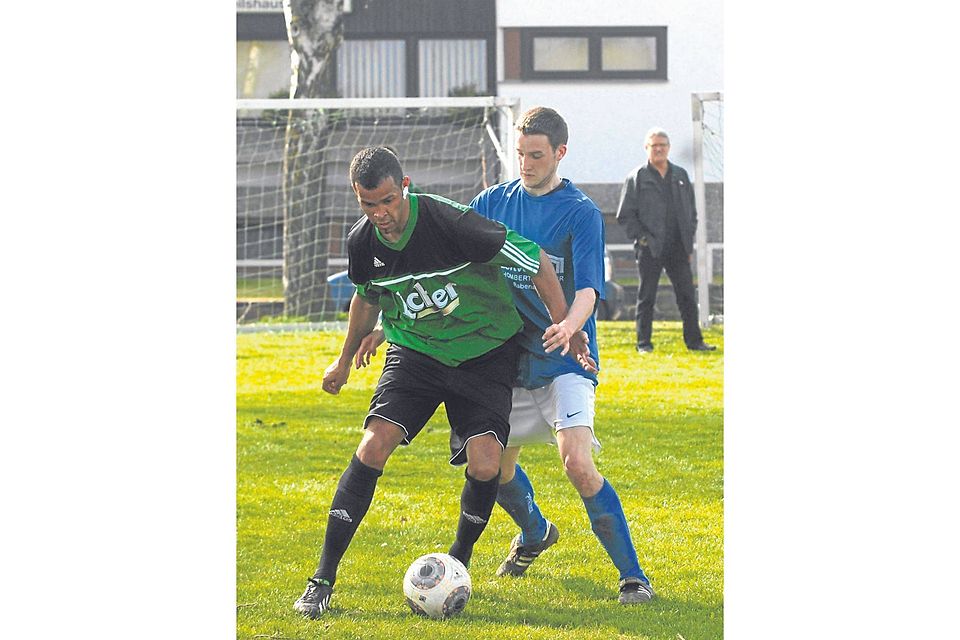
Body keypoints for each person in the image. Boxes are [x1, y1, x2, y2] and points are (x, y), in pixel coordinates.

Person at [360, 109, 655, 604]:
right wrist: (386, 325)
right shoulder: (492, 203)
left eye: (537, 155)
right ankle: (535, 532)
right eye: (520, 154)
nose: (526, 164)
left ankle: (633, 577)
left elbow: (587, 289)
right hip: (505, 359)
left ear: (560, 153)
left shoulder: (580, 212)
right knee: (493, 468)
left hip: (565, 358)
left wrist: (569, 324)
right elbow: (440, 268)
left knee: (577, 464)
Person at [293, 146, 578, 619]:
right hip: (417, 353)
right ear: (357, 198)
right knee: (372, 445)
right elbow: (366, 299)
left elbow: (538, 261)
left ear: (404, 186)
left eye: (387, 201)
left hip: (484, 352)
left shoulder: (454, 223)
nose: (380, 214)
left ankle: (456, 566)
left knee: (487, 461)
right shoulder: (363, 241)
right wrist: (342, 363)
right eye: (368, 204)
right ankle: (321, 580)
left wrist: (564, 326)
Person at [616, 127, 716, 353]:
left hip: (678, 247)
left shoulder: (680, 175)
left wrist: (688, 239)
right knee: (646, 297)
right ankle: (644, 344)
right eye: (654, 145)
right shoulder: (637, 177)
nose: (659, 149)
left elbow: (691, 212)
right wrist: (643, 239)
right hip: (649, 248)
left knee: (687, 296)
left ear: (669, 148)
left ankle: (695, 342)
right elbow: (625, 215)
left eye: (663, 145)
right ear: (647, 148)